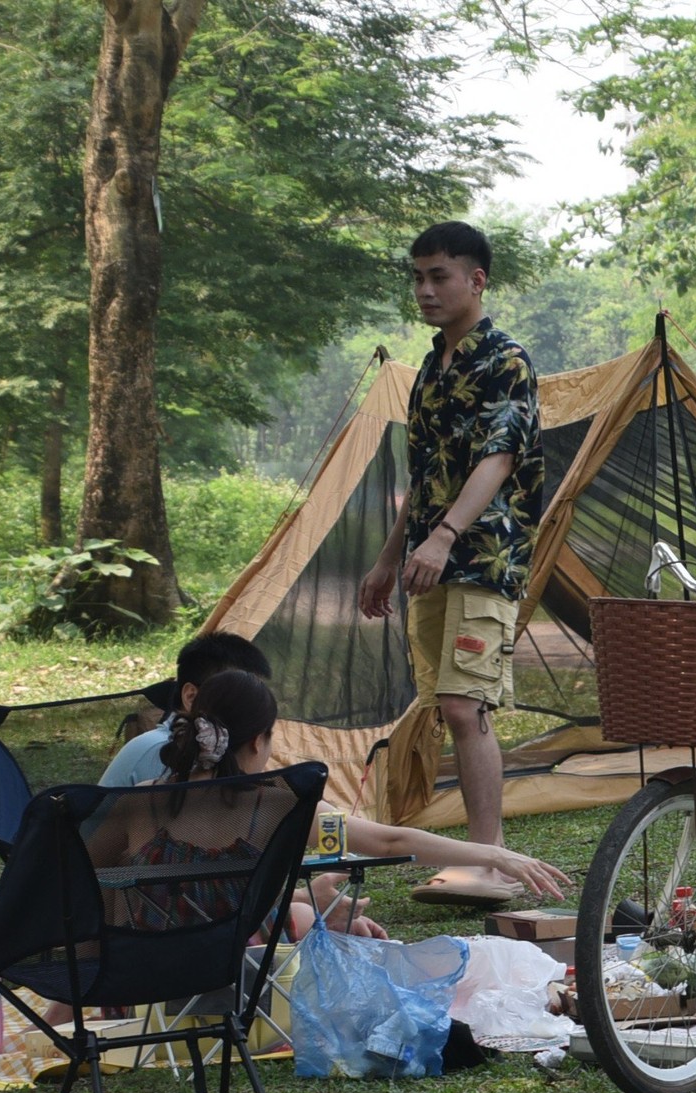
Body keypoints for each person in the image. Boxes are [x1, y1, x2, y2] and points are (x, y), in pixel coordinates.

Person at [359, 221, 543, 899]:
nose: (426, 289)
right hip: (428, 560)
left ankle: (489, 864)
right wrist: (390, 555)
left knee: (466, 707)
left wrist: (446, 538)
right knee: (448, 705)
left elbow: (498, 457)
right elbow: (425, 476)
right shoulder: (431, 369)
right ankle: (479, 858)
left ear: (476, 280)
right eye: (417, 277)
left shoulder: (506, 360)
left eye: (439, 276)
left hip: (484, 556)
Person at [128, 671, 570, 912]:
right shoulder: (276, 804)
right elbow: (389, 841)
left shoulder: (139, 800)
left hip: (132, 979)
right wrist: (494, 854)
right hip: (225, 976)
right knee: (323, 925)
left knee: (311, 914)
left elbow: (107, 894)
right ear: (258, 742)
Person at [100, 631, 271, 788]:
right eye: (239, 697)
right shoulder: (166, 752)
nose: (251, 708)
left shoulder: (217, 749)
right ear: (191, 697)